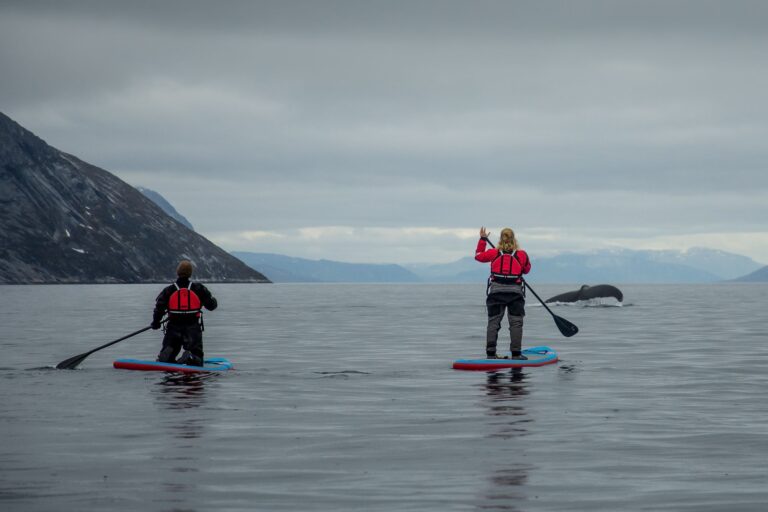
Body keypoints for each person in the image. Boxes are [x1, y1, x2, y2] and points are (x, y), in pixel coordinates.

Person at [475, 227, 531, 360]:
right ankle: (516, 354)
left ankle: (490, 354)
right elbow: (527, 270)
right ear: (514, 239)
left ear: (500, 239)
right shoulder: (522, 254)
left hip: (496, 293)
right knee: (516, 323)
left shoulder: (493, 253)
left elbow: (478, 256)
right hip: (515, 294)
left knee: (493, 322)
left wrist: (483, 240)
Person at [151, 260, 218, 366]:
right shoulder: (198, 288)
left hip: (173, 327)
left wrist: (156, 322)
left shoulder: (169, 289)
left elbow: (159, 308)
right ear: (190, 273)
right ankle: (192, 357)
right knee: (197, 357)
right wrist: (212, 299)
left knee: (168, 355)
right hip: (192, 328)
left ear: (178, 272)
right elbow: (211, 306)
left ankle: (167, 356)